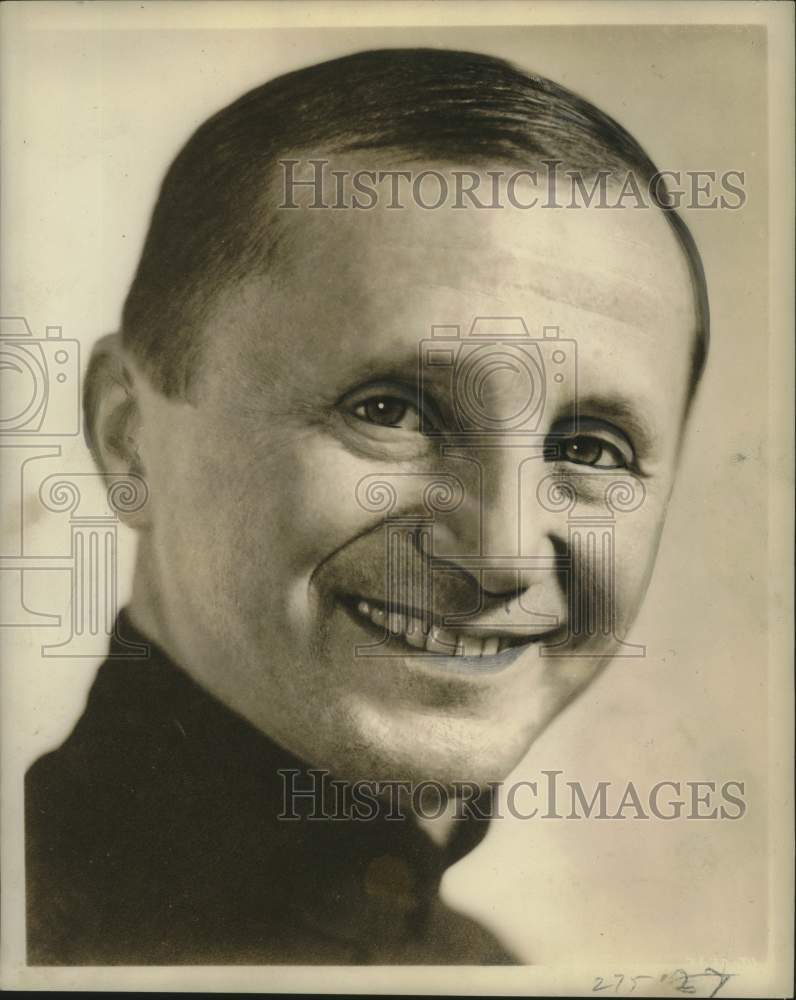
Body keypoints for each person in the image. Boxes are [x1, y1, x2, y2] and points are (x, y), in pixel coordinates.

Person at [26, 47, 709, 965]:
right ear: (127, 436)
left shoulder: (488, 972)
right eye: (390, 411)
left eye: (587, 449)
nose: (503, 552)